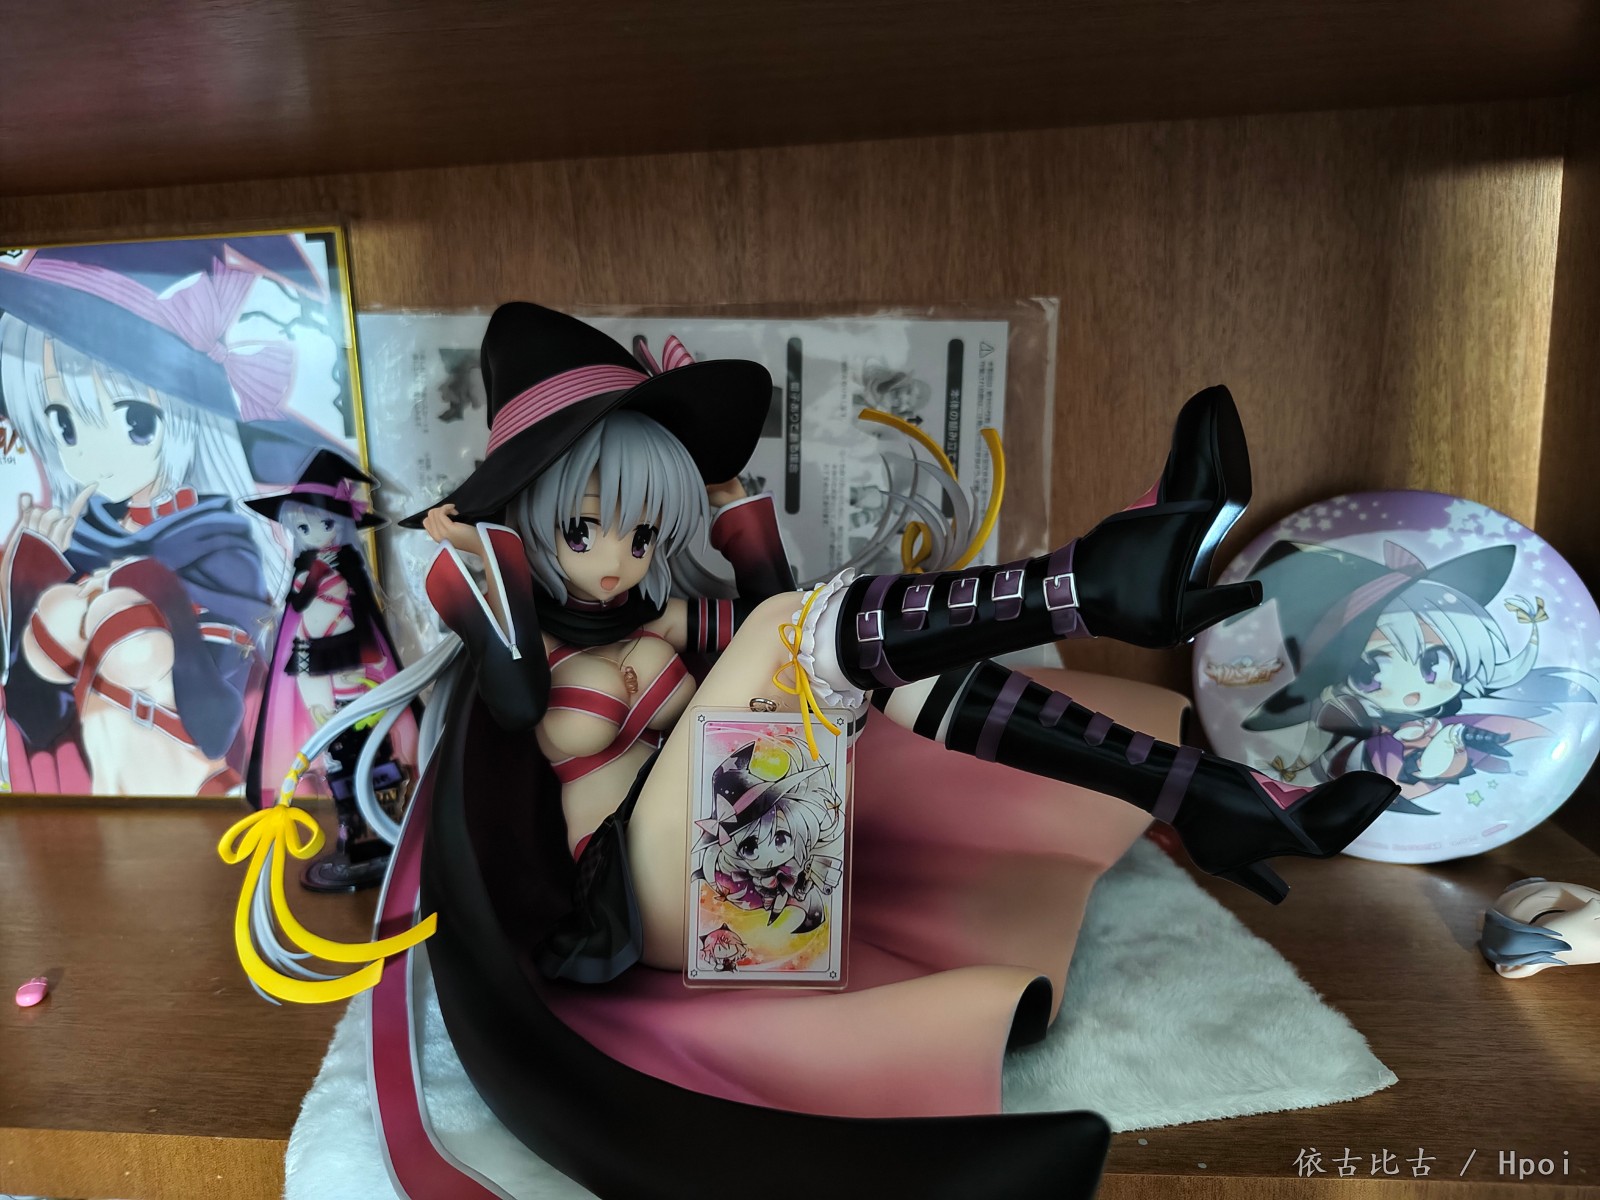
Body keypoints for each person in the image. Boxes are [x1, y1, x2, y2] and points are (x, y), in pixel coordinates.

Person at [230, 302, 1400, 1198]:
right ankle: (1098, 586)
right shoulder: (520, 654)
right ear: (529, 524)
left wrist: (733, 510)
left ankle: (1204, 790)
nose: (618, 556)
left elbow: (799, 634)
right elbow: (531, 683)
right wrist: (475, 558)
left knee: (843, 650)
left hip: (754, 878)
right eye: (583, 527)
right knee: (802, 633)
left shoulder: (665, 621)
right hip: (634, 912)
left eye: (644, 526)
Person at [0, 238, 336, 796]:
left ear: (178, 418)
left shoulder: (222, 544)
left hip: (198, 793)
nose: (90, 455)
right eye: (63, 424)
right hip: (78, 799)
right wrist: (35, 581)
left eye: (133, 421)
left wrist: (143, 600)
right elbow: (33, 715)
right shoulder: (77, 537)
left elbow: (214, 719)